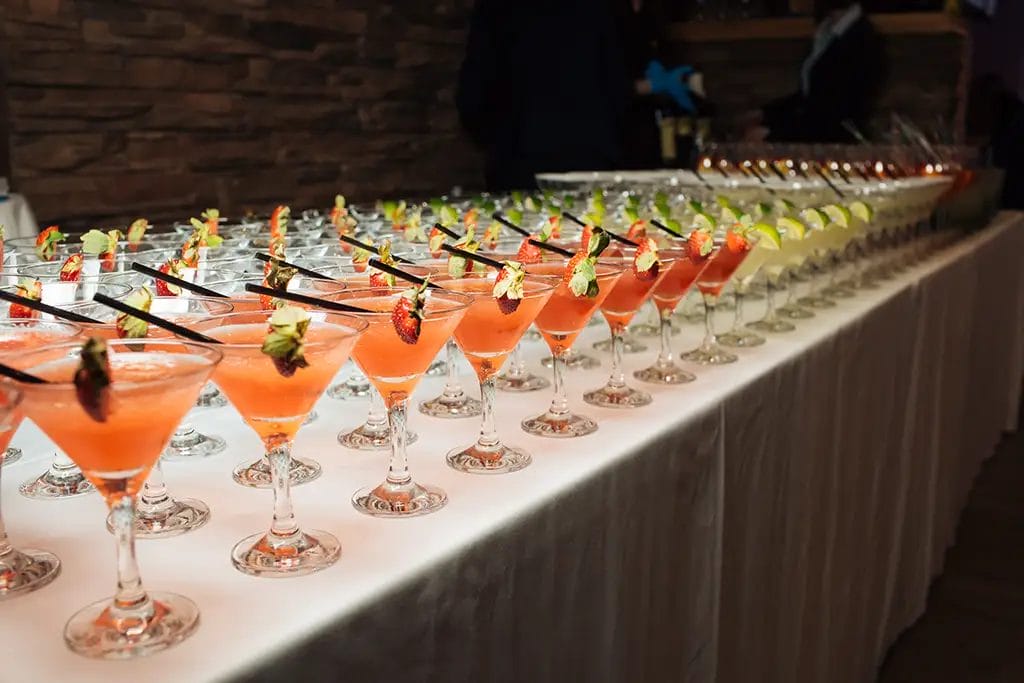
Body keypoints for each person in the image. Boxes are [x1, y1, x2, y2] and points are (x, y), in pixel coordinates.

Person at [456, 0, 695, 190]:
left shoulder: (496, 7)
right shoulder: (601, 6)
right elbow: (617, 89)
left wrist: (501, 139)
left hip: (519, 161)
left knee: (518, 248)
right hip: (590, 161)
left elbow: (472, 97)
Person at [748, 0, 887, 142]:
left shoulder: (861, 39)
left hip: (839, 146)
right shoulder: (827, 31)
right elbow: (811, 96)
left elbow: (836, 110)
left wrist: (775, 133)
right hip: (820, 139)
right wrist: (767, 114)